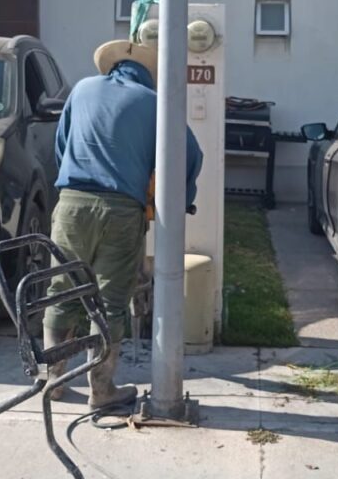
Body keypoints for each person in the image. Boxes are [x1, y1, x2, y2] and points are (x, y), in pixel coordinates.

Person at [42, 39, 203, 409]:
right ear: (148, 74)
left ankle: (53, 380)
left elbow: (61, 146)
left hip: (71, 204)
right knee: (110, 302)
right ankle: (101, 390)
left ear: (111, 66)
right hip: (122, 210)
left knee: (61, 290)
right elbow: (190, 155)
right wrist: (181, 200)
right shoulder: (155, 104)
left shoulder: (82, 89)